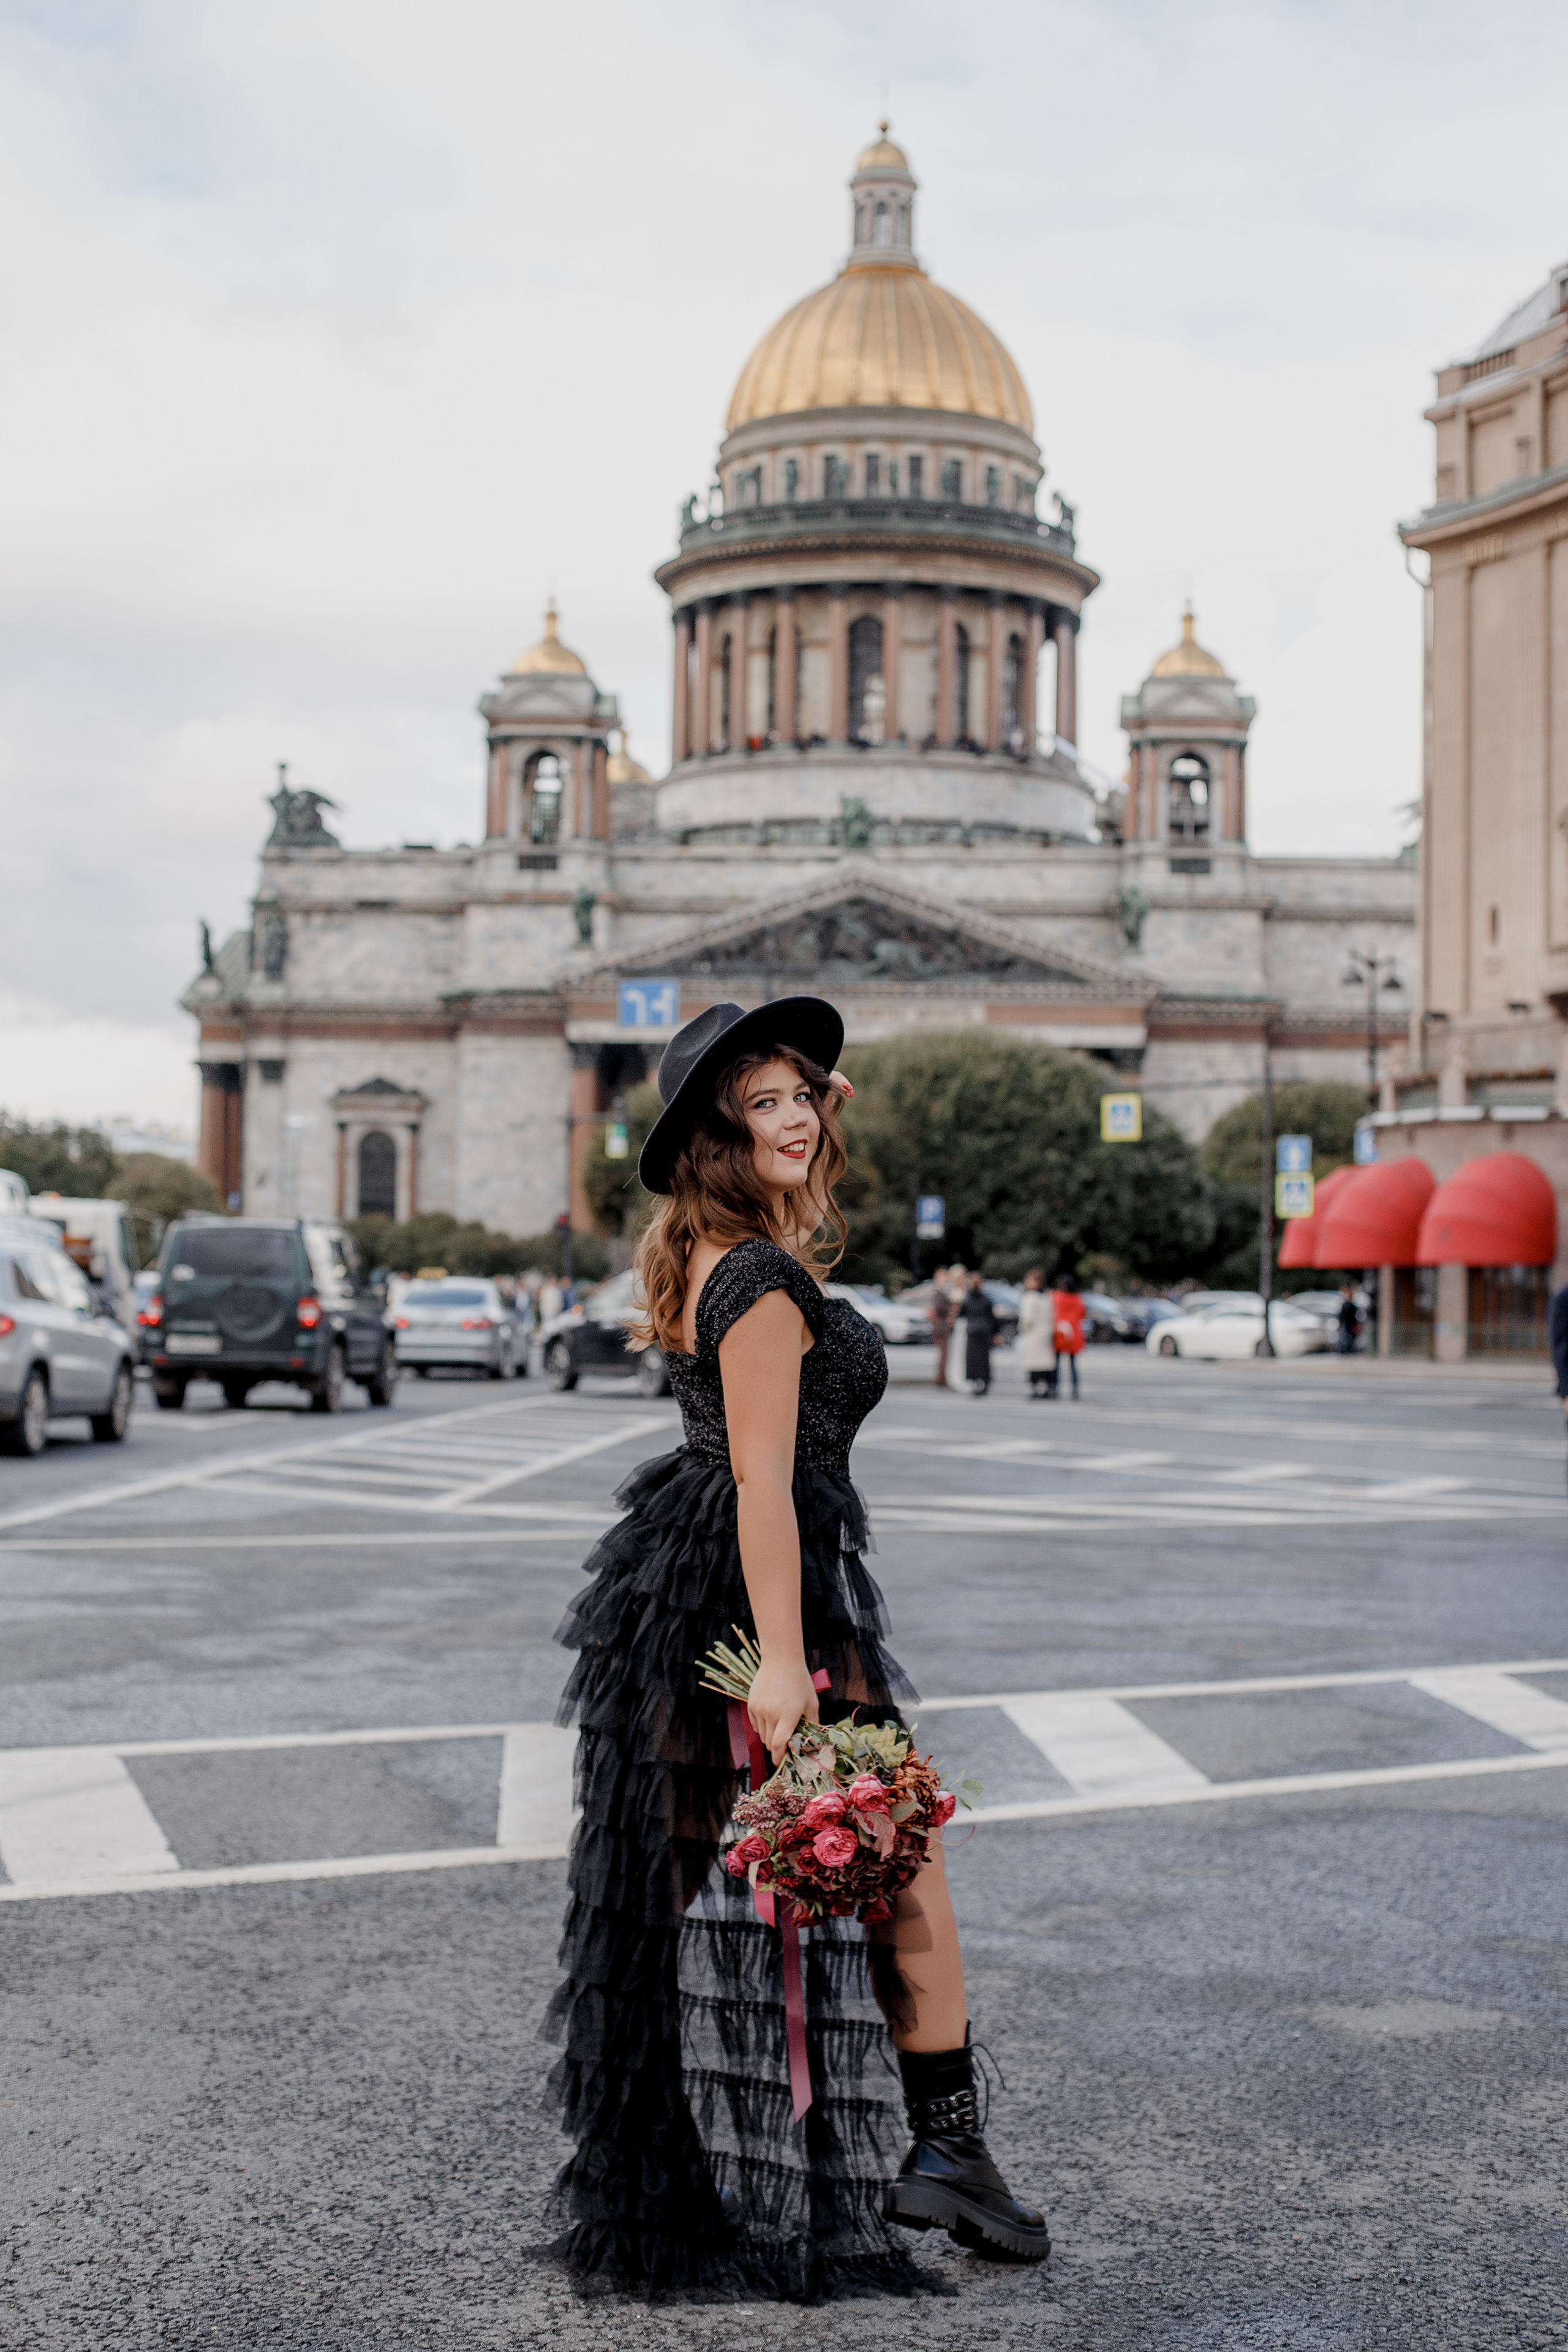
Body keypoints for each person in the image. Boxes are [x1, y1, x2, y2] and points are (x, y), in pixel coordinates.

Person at [548, 997, 1050, 2297]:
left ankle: (861, 2157)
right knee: (887, 1847)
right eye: (755, 1102)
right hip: (754, 1596)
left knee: (711, 1877)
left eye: (799, 1096)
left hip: (719, 1580)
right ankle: (939, 2152)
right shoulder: (758, 1279)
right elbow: (762, 1481)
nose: (790, 1118)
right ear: (714, 1136)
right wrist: (783, 1665)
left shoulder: (733, 1253)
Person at [1017, 1267, 1056, 1399]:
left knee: (1034, 1364)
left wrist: (1022, 1329)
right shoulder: (1047, 1296)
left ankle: (1035, 1388)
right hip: (1046, 1333)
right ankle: (1046, 1388)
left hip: (1034, 1334)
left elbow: (1027, 1318)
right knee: (1045, 1364)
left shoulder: (1030, 1297)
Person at [960, 1270, 997, 1395]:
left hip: (973, 1331)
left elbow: (962, 1314)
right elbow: (992, 1317)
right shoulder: (986, 1299)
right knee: (983, 1360)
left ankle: (976, 1383)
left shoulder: (968, 1299)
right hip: (985, 1331)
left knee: (973, 1360)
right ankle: (985, 1382)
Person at [1052, 1274, 1085, 1397]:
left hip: (1060, 1332)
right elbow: (1082, 1315)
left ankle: (1054, 1389)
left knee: (1057, 1364)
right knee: (1072, 1364)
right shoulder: (1078, 1299)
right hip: (1074, 1334)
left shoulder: (1057, 1297)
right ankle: (1075, 1390)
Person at [928, 1262, 955, 1387]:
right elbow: (940, 1309)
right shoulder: (938, 1292)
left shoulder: (942, 1291)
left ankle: (942, 1377)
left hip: (942, 1327)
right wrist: (950, 1310)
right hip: (941, 1327)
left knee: (945, 1355)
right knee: (943, 1355)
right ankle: (941, 1378)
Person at [1336, 1281, 1359, 1355]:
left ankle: (1348, 1350)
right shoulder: (1345, 1305)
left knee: (1349, 1337)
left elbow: (1354, 1316)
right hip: (1345, 1323)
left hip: (1350, 1324)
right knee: (1344, 1337)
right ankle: (1344, 1350)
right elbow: (1342, 1315)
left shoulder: (1352, 1306)